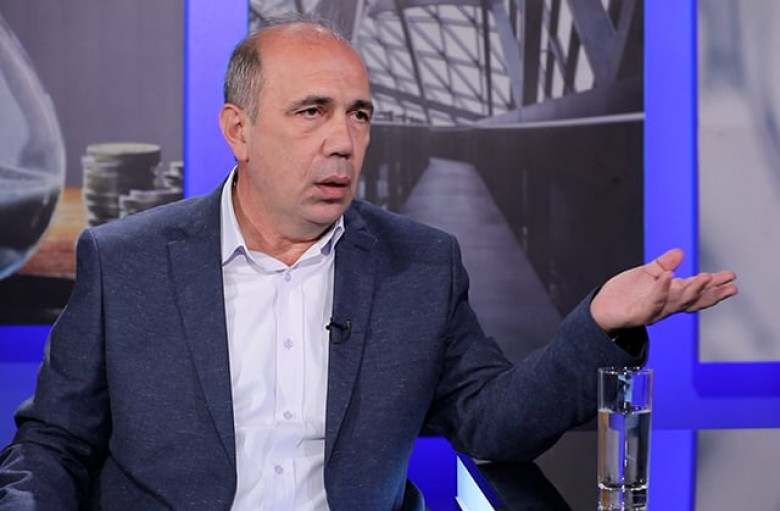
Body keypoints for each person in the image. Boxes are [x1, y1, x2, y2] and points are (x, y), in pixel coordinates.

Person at [0, 14, 737, 511]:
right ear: (238, 130)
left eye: (359, 114)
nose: (344, 141)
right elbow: (53, 445)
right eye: (312, 111)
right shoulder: (125, 260)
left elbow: (494, 425)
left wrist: (599, 324)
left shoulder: (420, 265)